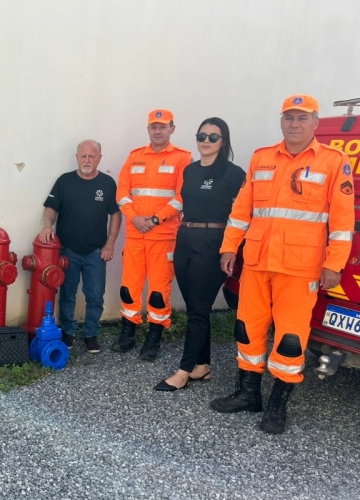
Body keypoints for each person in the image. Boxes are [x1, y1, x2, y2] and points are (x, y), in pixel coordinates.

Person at [211, 95, 354, 434]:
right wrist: (229, 247)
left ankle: (277, 405)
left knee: (290, 338)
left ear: (315, 123)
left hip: (300, 268)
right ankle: (248, 394)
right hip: (257, 262)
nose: (294, 124)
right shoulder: (262, 158)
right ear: (281, 121)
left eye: (302, 118)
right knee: (247, 328)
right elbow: (242, 210)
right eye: (289, 117)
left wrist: (334, 264)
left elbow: (342, 222)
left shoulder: (333, 161)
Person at [154, 118, 245, 391]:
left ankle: (183, 371)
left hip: (213, 241)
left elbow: (242, 215)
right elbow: (182, 203)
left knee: (199, 306)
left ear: (223, 141)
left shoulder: (233, 173)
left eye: (213, 137)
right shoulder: (190, 170)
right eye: (202, 136)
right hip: (185, 237)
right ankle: (202, 366)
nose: (206, 141)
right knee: (195, 305)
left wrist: (231, 248)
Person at [114, 110, 192, 360]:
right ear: (148, 129)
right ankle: (128, 333)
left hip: (164, 236)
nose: (157, 131)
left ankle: (154, 337)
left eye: (162, 127)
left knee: (158, 291)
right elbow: (122, 193)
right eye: (153, 127)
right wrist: (135, 217)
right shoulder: (135, 156)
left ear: (172, 129)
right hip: (135, 234)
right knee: (129, 287)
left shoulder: (183, 158)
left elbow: (182, 197)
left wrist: (157, 219)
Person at [40, 140, 122, 353]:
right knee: (67, 295)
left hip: (96, 253)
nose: (87, 160)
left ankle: (91, 334)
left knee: (95, 296)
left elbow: (116, 213)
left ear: (99, 159)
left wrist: (110, 244)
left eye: (91, 156)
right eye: (83, 156)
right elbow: (51, 208)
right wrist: (47, 225)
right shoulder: (64, 181)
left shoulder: (107, 183)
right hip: (67, 251)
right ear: (77, 157)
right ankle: (68, 331)